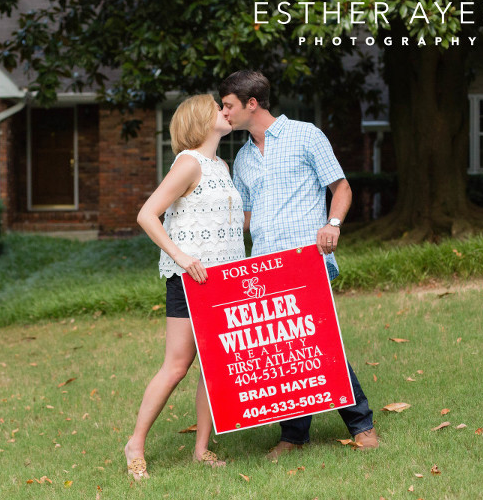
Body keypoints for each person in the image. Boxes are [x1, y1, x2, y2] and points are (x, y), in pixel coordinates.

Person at [218, 70, 378, 458]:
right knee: (287, 352)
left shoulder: (306, 135)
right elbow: (248, 218)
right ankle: (294, 436)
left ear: (251, 104)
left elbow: (341, 187)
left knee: (320, 343)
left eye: (228, 106)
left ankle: (362, 425)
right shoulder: (241, 159)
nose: (223, 113)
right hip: (264, 267)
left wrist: (333, 223)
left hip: (306, 258)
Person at [124, 94, 246, 480]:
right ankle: (136, 443)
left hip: (226, 278)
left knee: (215, 366)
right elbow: (147, 214)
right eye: (217, 108)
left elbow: (228, 222)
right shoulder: (189, 163)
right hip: (191, 279)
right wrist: (181, 257)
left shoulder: (221, 165)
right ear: (200, 120)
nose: (225, 112)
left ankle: (200, 449)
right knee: (178, 365)